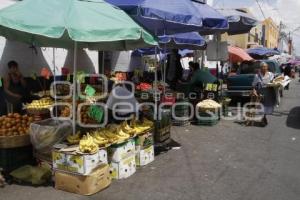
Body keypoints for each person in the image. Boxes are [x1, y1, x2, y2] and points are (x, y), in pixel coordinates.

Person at [252, 62, 276, 126]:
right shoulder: (257, 76)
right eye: (262, 67)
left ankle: (264, 117)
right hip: (261, 94)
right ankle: (263, 119)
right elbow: (254, 85)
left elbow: (274, 82)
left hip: (269, 93)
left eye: (265, 67)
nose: (264, 68)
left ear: (267, 67)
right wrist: (254, 91)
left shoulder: (271, 74)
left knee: (267, 106)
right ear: (260, 68)